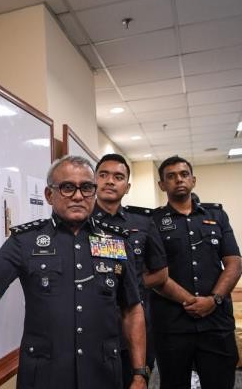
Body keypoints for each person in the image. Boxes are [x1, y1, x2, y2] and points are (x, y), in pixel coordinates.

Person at [0, 155, 147, 389]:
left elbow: (132, 310)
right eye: (67, 187)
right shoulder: (25, 241)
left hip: (102, 373)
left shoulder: (115, 241)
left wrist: (139, 373)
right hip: (45, 376)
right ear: (49, 195)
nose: (78, 196)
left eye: (86, 188)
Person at [151, 156, 241, 388]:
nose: (178, 179)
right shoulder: (152, 222)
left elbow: (234, 262)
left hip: (216, 322)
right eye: (170, 176)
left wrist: (214, 299)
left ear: (193, 180)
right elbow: (152, 272)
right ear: (162, 185)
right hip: (172, 325)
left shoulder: (216, 216)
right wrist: (191, 301)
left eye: (183, 174)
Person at [94, 154, 168, 387]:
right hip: (93, 327)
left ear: (127, 187)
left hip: (135, 328)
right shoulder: (80, 221)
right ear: (93, 181)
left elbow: (160, 273)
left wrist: (129, 288)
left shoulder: (143, 223)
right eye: (103, 175)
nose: (109, 181)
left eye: (118, 177)